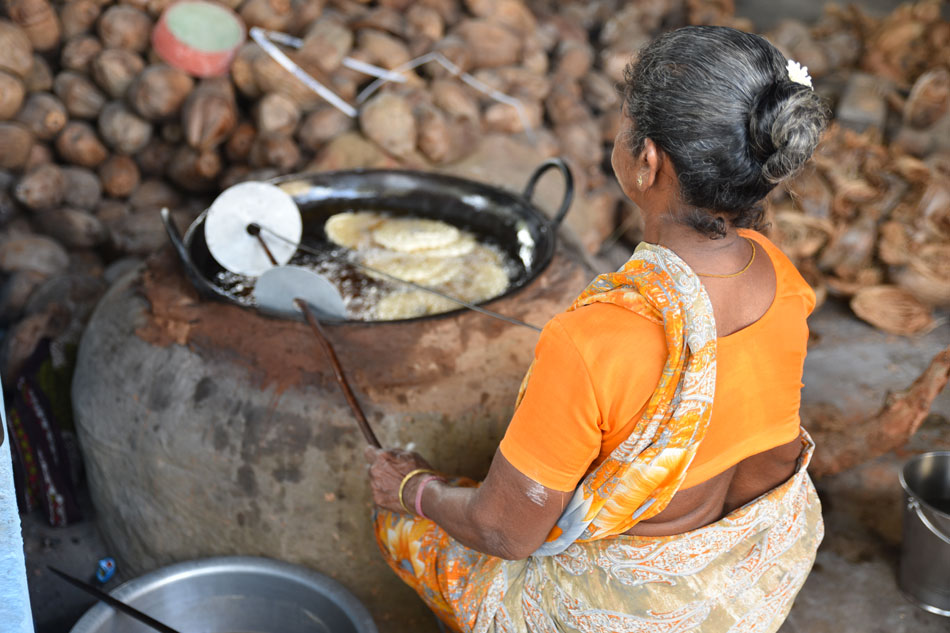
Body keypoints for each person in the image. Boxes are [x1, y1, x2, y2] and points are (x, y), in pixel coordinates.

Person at [365, 25, 829, 633]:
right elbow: (769, 464)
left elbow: (506, 531)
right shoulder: (783, 282)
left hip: (618, 613)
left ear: (647, 162)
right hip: (742, 589)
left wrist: (410, 490)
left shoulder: (594, 339)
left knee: (402, 520)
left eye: (624, 124)